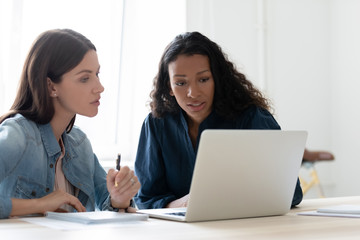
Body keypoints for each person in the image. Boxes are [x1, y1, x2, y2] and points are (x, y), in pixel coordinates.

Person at [134, 31, 303, 209]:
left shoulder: (252, 118)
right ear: (169, 86)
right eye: (181, 83)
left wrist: (220, 202)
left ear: (218, 79)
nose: (193, 93)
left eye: (203, 79)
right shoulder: (155, 124)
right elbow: (146, 198)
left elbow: (291, 193)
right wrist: (185, 204)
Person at [0, 29, 139, 219]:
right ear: (51, 86)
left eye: (97, 74)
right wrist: (40, 204)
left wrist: (119, 199)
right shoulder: (18, 135)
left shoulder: (80, 144)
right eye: (84, 78)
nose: (100, 87)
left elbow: (110, 209)